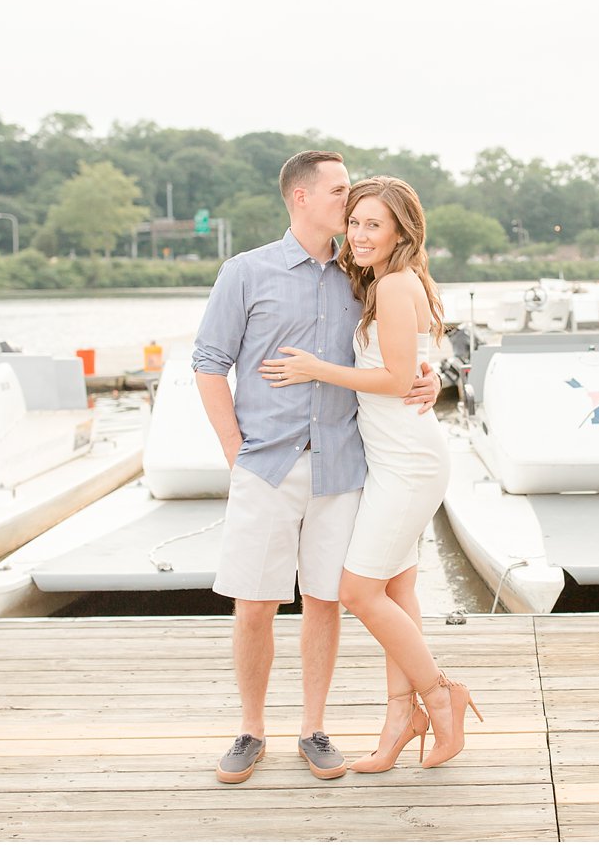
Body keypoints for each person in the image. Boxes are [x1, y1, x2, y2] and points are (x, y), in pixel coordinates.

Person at [192, 152, 437, 785]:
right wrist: (234, 453)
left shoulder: (362, 275)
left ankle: (313, 727)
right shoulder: (245, 272)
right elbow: (208, 363)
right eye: (339, 191)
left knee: (325, 601)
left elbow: (399, 344)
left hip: (343, 466)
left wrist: (429, 376)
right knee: (255, 604)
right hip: (266, 464)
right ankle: (250, 730)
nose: (349, 202)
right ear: (301, 198)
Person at [261, 175, 481, 773]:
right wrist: (426, 374)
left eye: (373, 225)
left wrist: (315, 369)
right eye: (354, 221)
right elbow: (407, 369)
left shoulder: (393, 286)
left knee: (358, 591)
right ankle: (398, 720)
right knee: (398, 590)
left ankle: (441, 696)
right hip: (389, 459)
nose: (358, 235)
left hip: (407, 462)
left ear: (400, 231)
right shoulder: (386, 282)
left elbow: (391, 379)